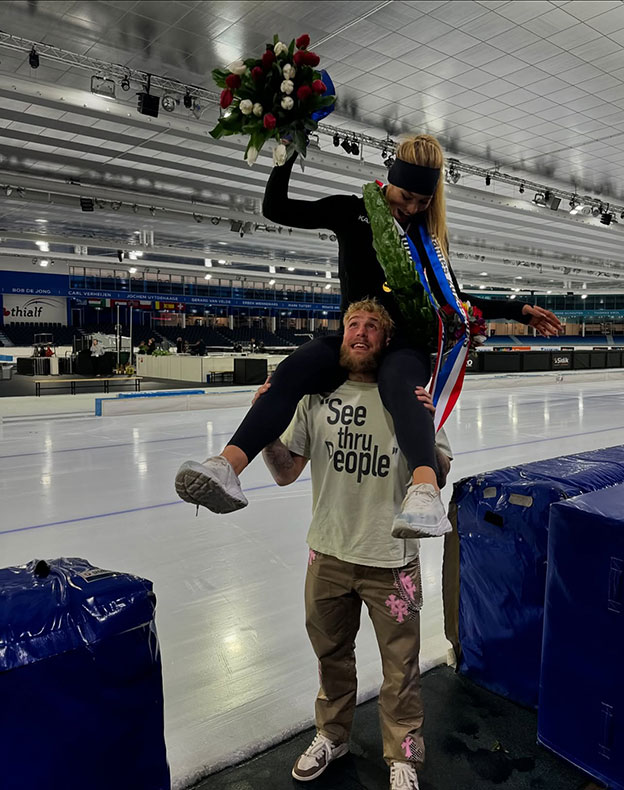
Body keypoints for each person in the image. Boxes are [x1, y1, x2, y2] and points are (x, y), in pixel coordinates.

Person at [175, 134, 561, 538]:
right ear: (390, 179)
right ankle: (227, 467)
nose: (411, 208)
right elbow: (276, 208)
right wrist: (286, 149)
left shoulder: (430, 241)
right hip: (354, 336)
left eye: (423, 201)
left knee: (400, 384)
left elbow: (453, 298)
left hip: (404, 345)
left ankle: (424, 492)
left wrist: (517, 310)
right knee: (294, 368)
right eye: (406, 196)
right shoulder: (352, 212)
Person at [261, 299, 451, 789]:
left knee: (400, 669)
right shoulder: (315, 396)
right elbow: (285, 471)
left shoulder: (409, 397)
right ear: (341, 335)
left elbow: (439, 477)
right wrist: (263, 426)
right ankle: (333, 735)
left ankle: (403, 754)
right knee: (331, 658)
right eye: (352, 325)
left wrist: (428, 429)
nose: (360, 333)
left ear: (386, 341)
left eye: (372, 327)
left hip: (391, 560)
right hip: (327, 555)